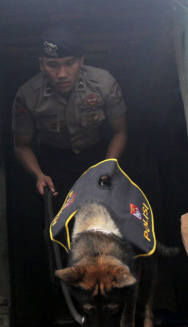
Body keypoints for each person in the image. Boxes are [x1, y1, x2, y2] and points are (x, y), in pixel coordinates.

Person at [12, 26, 128, 210]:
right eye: (53, 65)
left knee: (112, 213)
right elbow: (21, 145)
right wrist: (38, 175)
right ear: (41, 64)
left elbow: (120, 132)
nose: (62, 74)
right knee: (62, 217)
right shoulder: (28, 95)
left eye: (70, 63)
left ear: (81, 61)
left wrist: (108, 167)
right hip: (54, 162)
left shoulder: (104, 83)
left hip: (98, 156)